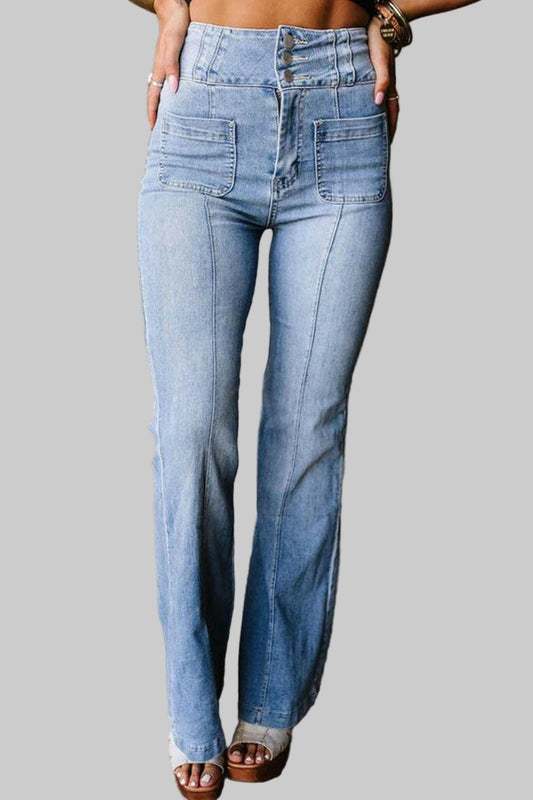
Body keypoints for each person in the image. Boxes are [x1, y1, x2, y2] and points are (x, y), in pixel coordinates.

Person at [129, 1, 482, 797]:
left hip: (341, 110)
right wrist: (171, 9)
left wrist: (390, 17)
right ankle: (191, 708)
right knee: (190, 433)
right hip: (206, 100)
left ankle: (269, 696)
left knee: (305, 432)